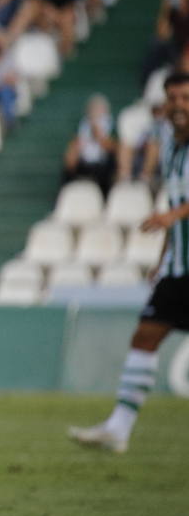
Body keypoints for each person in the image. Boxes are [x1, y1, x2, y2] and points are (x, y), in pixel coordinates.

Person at [70, 73, 189, 454]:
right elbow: (174, 202)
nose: (179, 105)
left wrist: (172, 218)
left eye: (186, 97)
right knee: (145, 336)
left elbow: (175, 211)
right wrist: (163, 256)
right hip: (179, 267)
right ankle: (119, 428)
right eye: (173, 98)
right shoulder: (171, 147)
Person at [61, 94, 117, 196]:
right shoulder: (83, 125)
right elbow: (75, 144)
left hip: (103, 162)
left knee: (107, 170)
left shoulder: (111, 124)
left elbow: (112, 147)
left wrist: (97, 134)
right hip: (84, 161)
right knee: (68, 167)